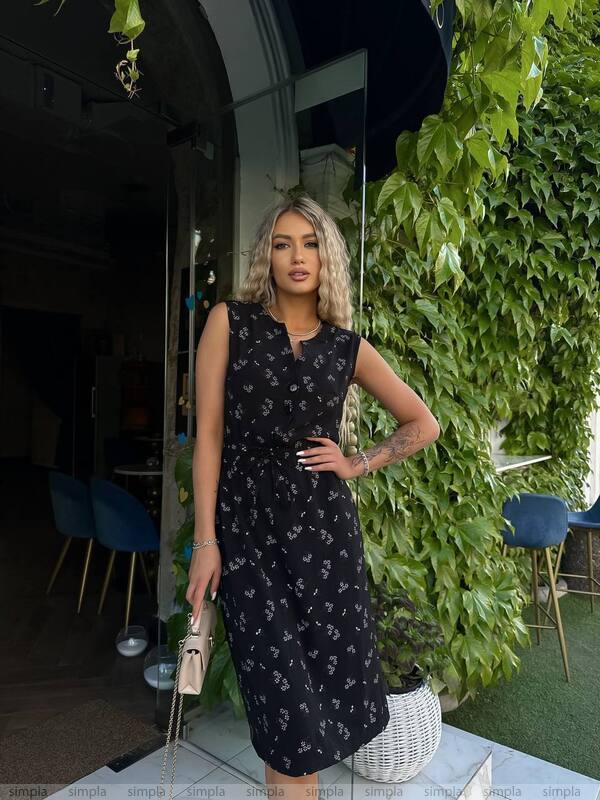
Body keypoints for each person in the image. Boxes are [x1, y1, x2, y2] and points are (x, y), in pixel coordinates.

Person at [187, 193, 440, 798]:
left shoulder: (346, 347)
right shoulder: (230, 321)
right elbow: (210, 438)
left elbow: (422, 424)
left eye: (310, 243)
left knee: (318, 704)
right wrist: (205, 540)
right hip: (248, 538)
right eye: (282, 243)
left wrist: (357, 464)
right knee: (285, 711)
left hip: (326, 541)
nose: (297, 257)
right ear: (265, 258)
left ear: (327, 258)